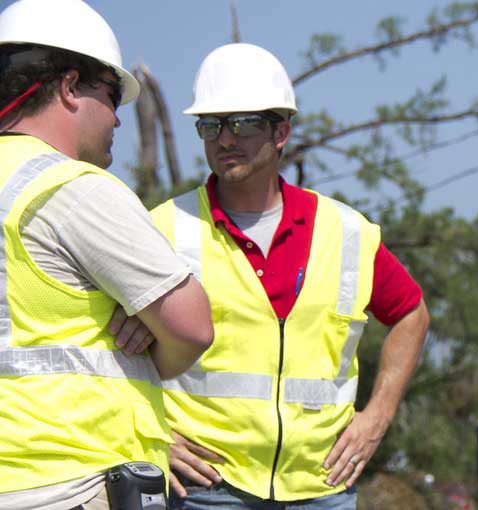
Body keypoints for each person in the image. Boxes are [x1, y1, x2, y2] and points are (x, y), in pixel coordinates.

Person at [149, 42, 430, 509]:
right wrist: (148, 431)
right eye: (210, 125)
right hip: (205, 489)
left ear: (281, 132)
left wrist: (377, 417)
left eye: (241, 124)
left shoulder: (346, 232)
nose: (224, 139)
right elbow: (103, 348)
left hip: (322, 487)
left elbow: (411, 314)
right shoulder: (161, 227)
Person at [0, 0, 213, 509]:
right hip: (73, 478)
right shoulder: (72, 187)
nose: (118, 118)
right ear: (70, 86)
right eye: (112, 95)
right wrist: (148, 338)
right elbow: (192, 325)